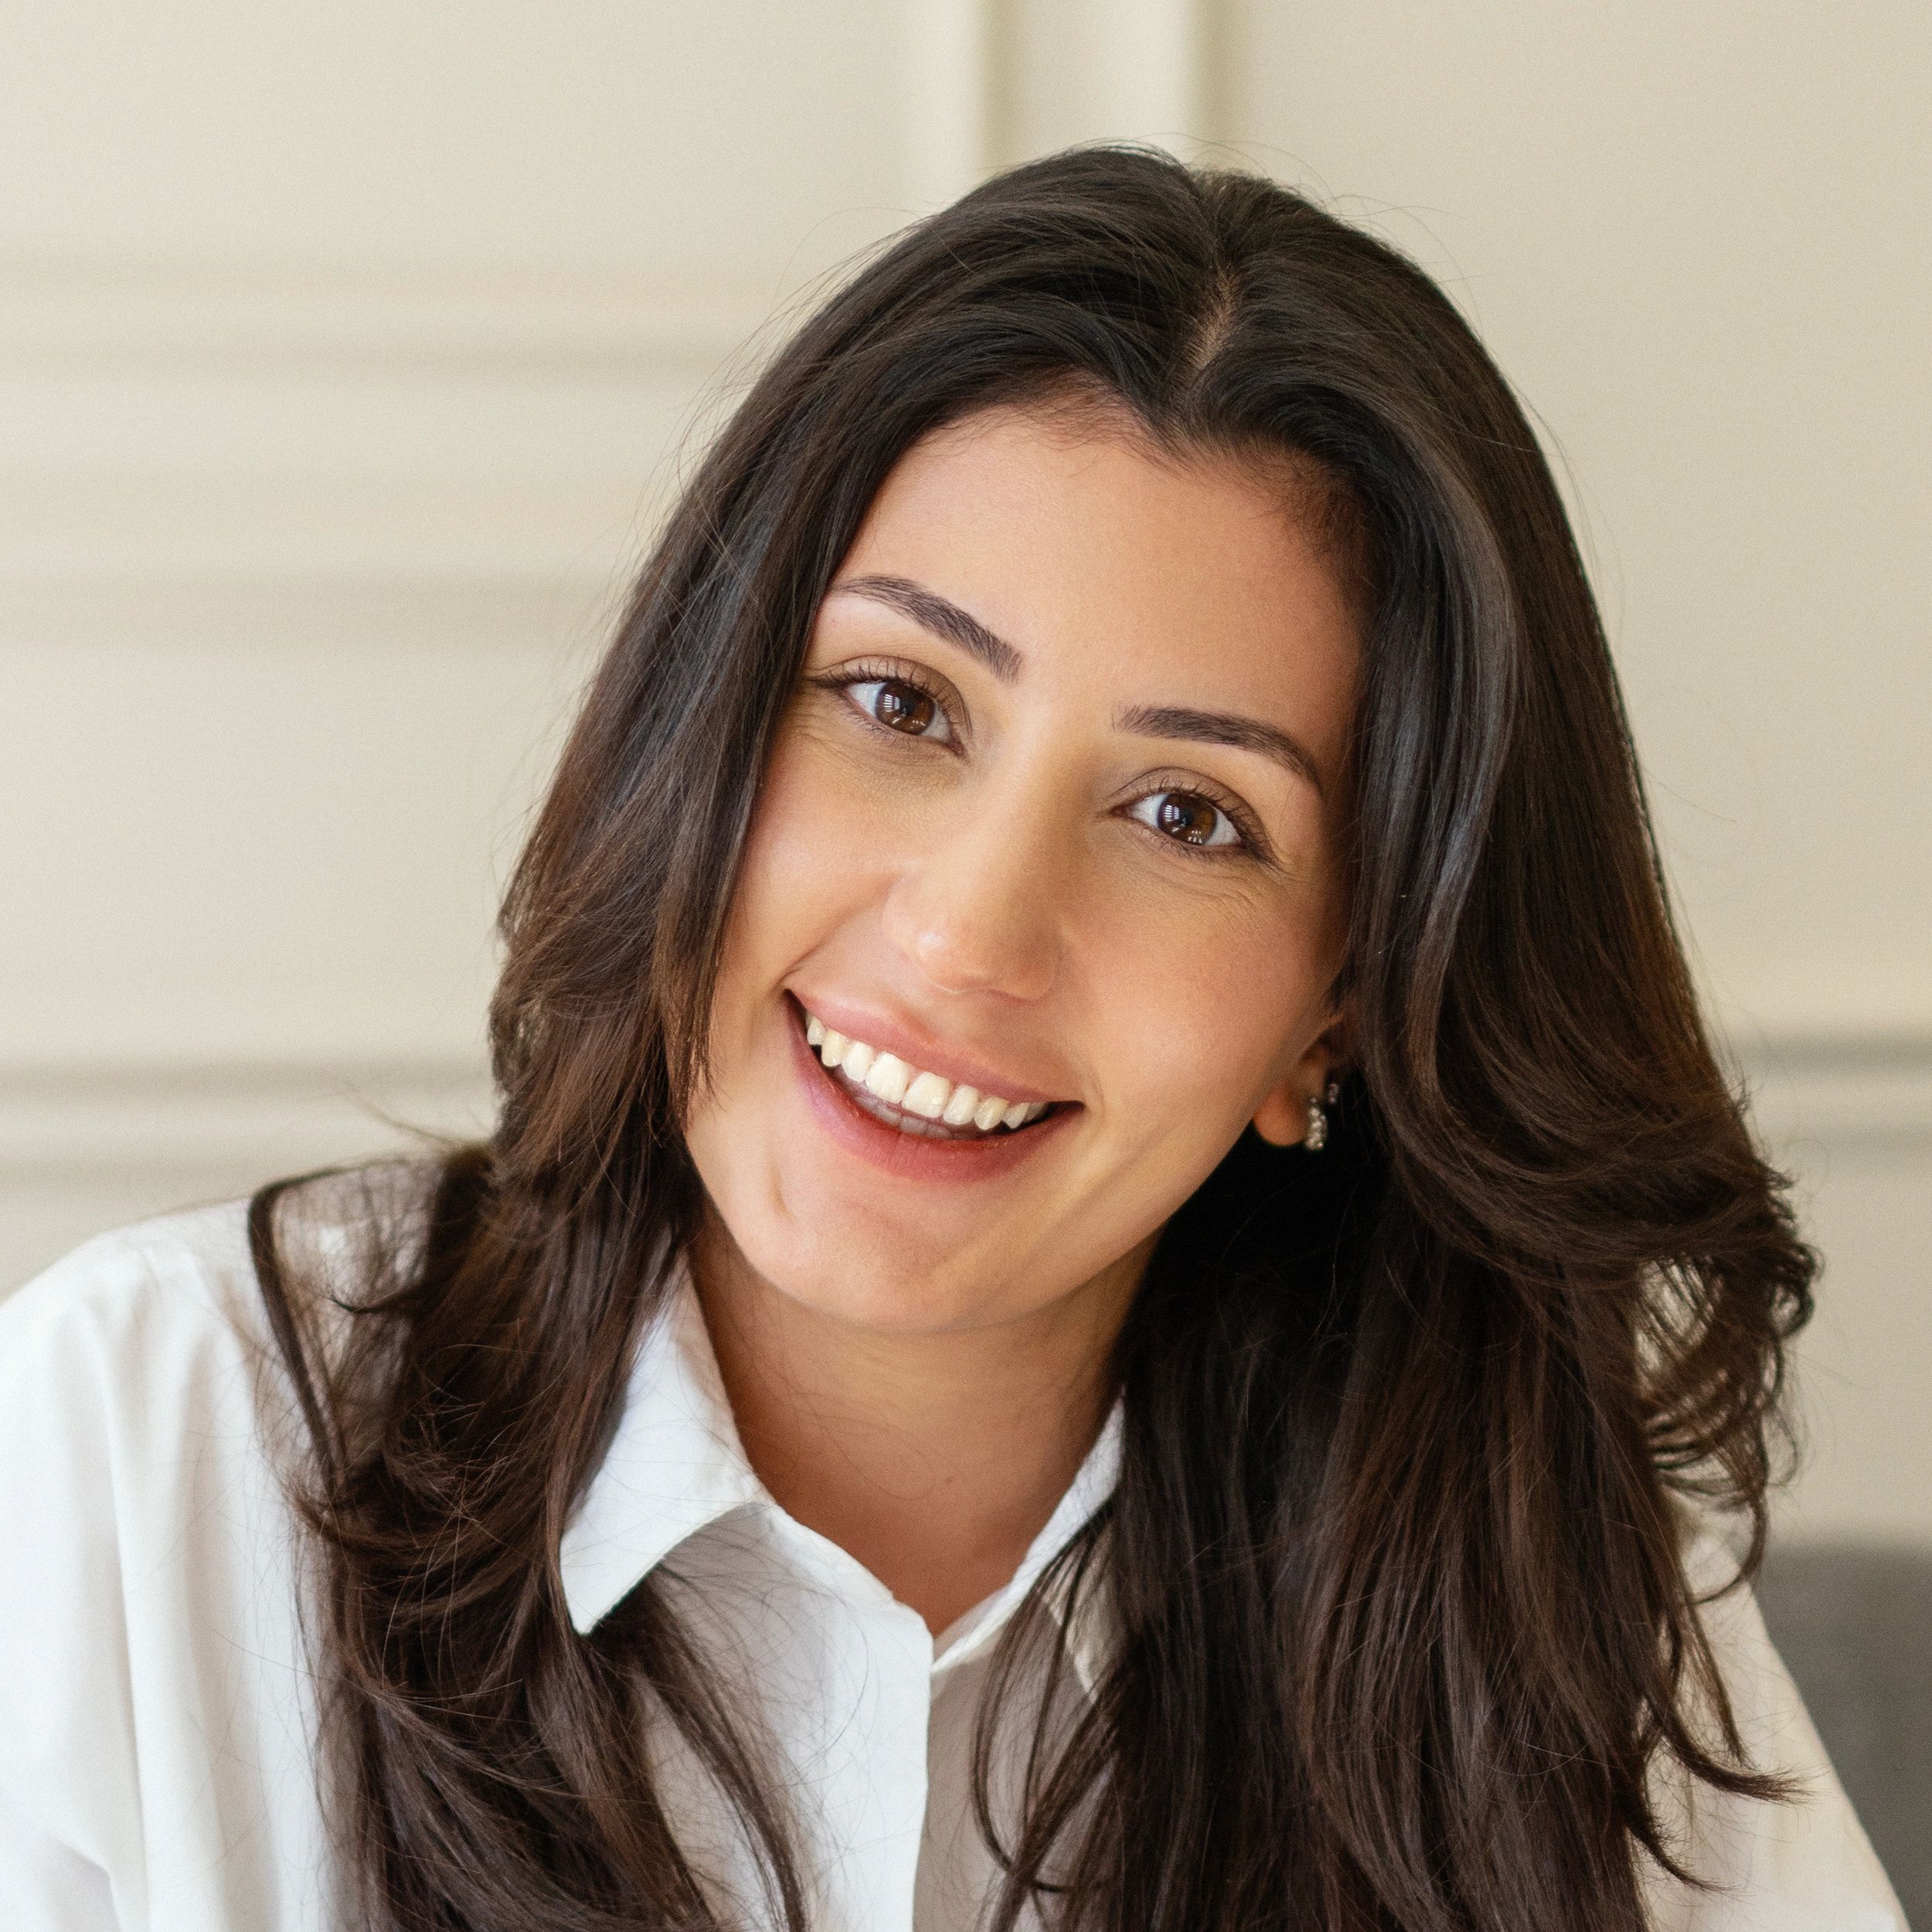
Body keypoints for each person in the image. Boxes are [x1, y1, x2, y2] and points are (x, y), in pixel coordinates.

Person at [0, 145, 1905, 1932]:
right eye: (895, 697)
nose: (968, 935)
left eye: (1189, 816)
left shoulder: (1531, 1590)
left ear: (1336, 1008)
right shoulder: (143, 1447)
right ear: (704, 726)